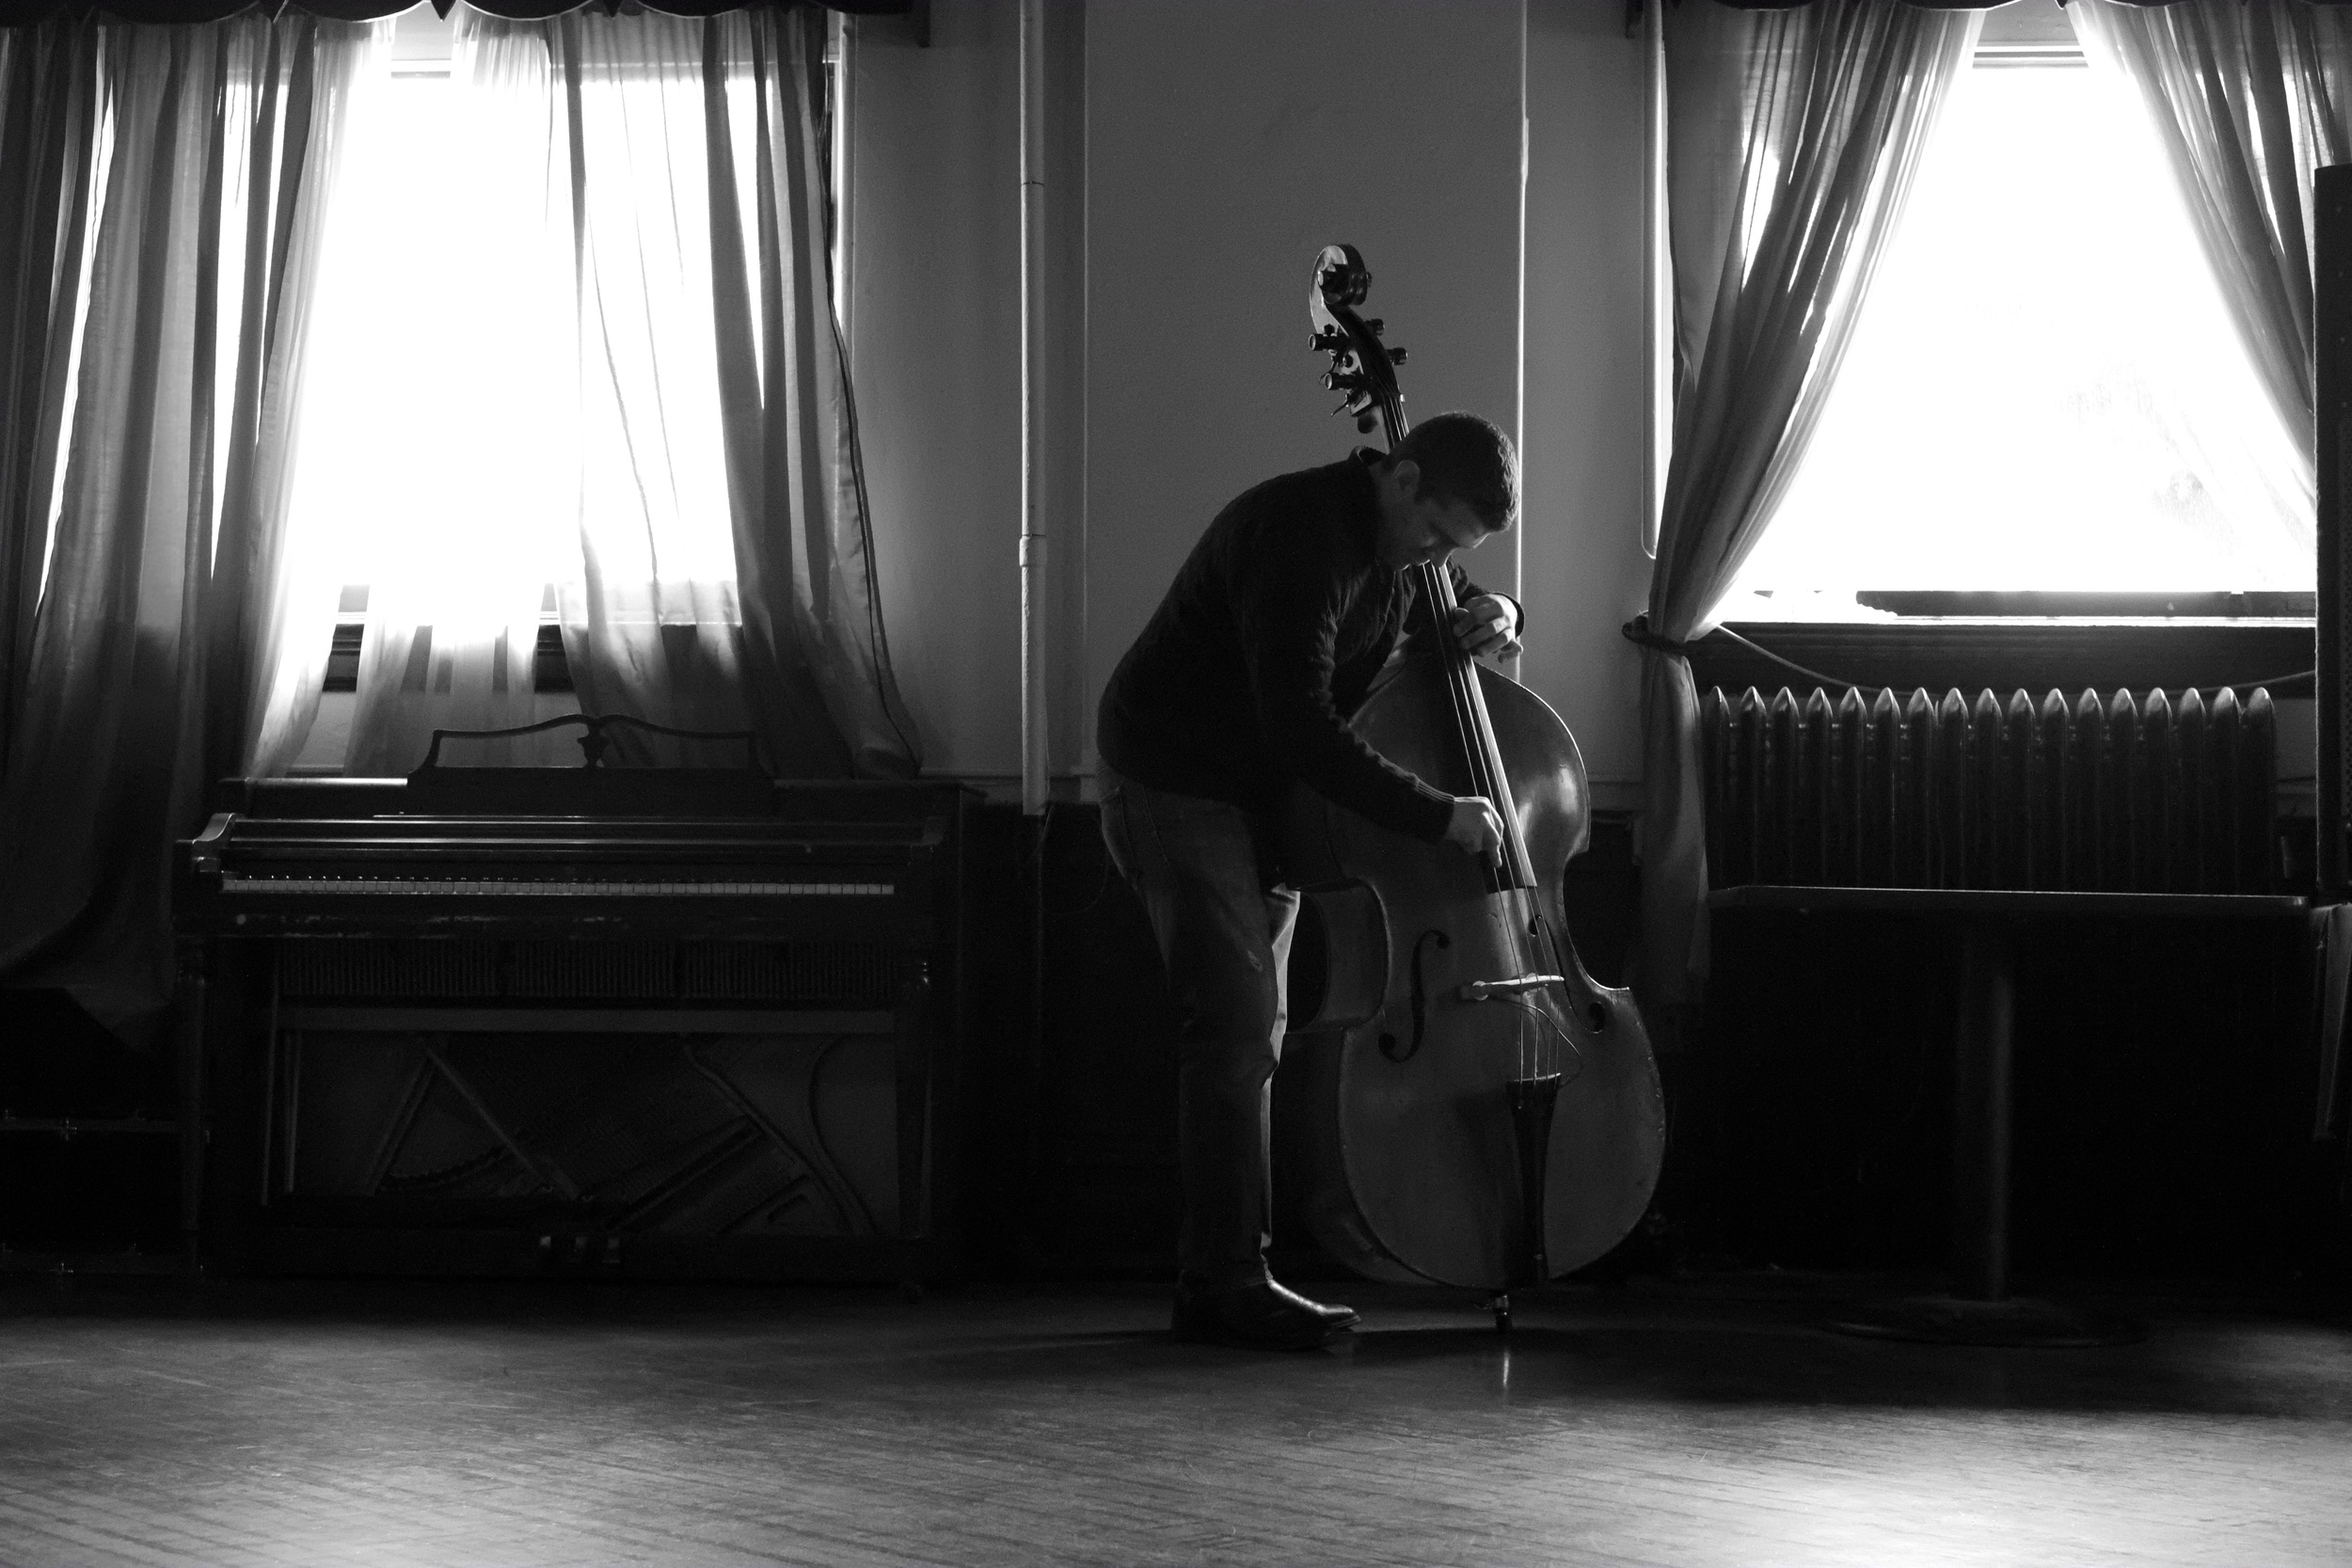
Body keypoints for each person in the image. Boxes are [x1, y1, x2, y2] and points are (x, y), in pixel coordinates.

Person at [1095, 411, 1524, 1350]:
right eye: (1436, 534)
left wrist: (1501, 613)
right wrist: (1437, 812)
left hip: (1267, 799)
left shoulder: (1404, 542)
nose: (1435, 559)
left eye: (1455, 549)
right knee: (1237, 1029)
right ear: (1401, 479)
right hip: (1175, 779)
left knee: (1259, 1033)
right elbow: (1300, 726)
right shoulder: (1296, 538)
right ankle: (1222, 1285)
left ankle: (1228, 1276)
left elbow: (1456, 590)